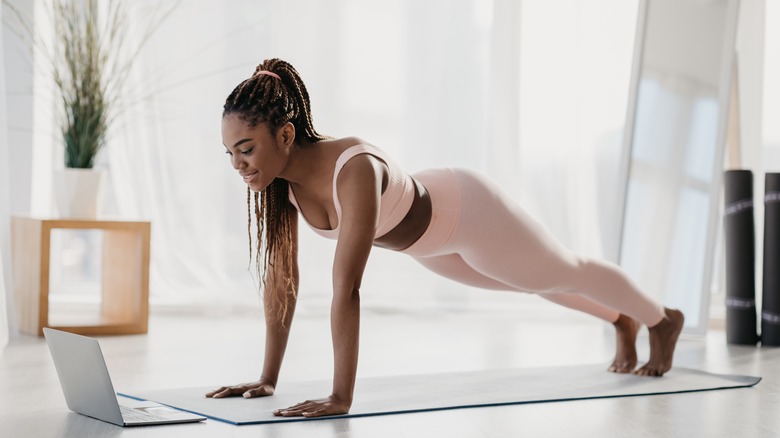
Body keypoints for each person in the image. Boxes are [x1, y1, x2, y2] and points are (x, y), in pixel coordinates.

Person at [205, 58, 685, 418]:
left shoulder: (353, 169)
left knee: (562, 271)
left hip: (466, 212)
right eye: (229, 153)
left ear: (286, 135)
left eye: (245, 150)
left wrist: (340, 397)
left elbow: (346, 287)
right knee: (532, 283)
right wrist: (268, 379)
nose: (237, 165)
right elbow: (280, 281)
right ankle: (622, 319)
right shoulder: (281, 189)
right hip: (427, 246)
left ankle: (661, 320)